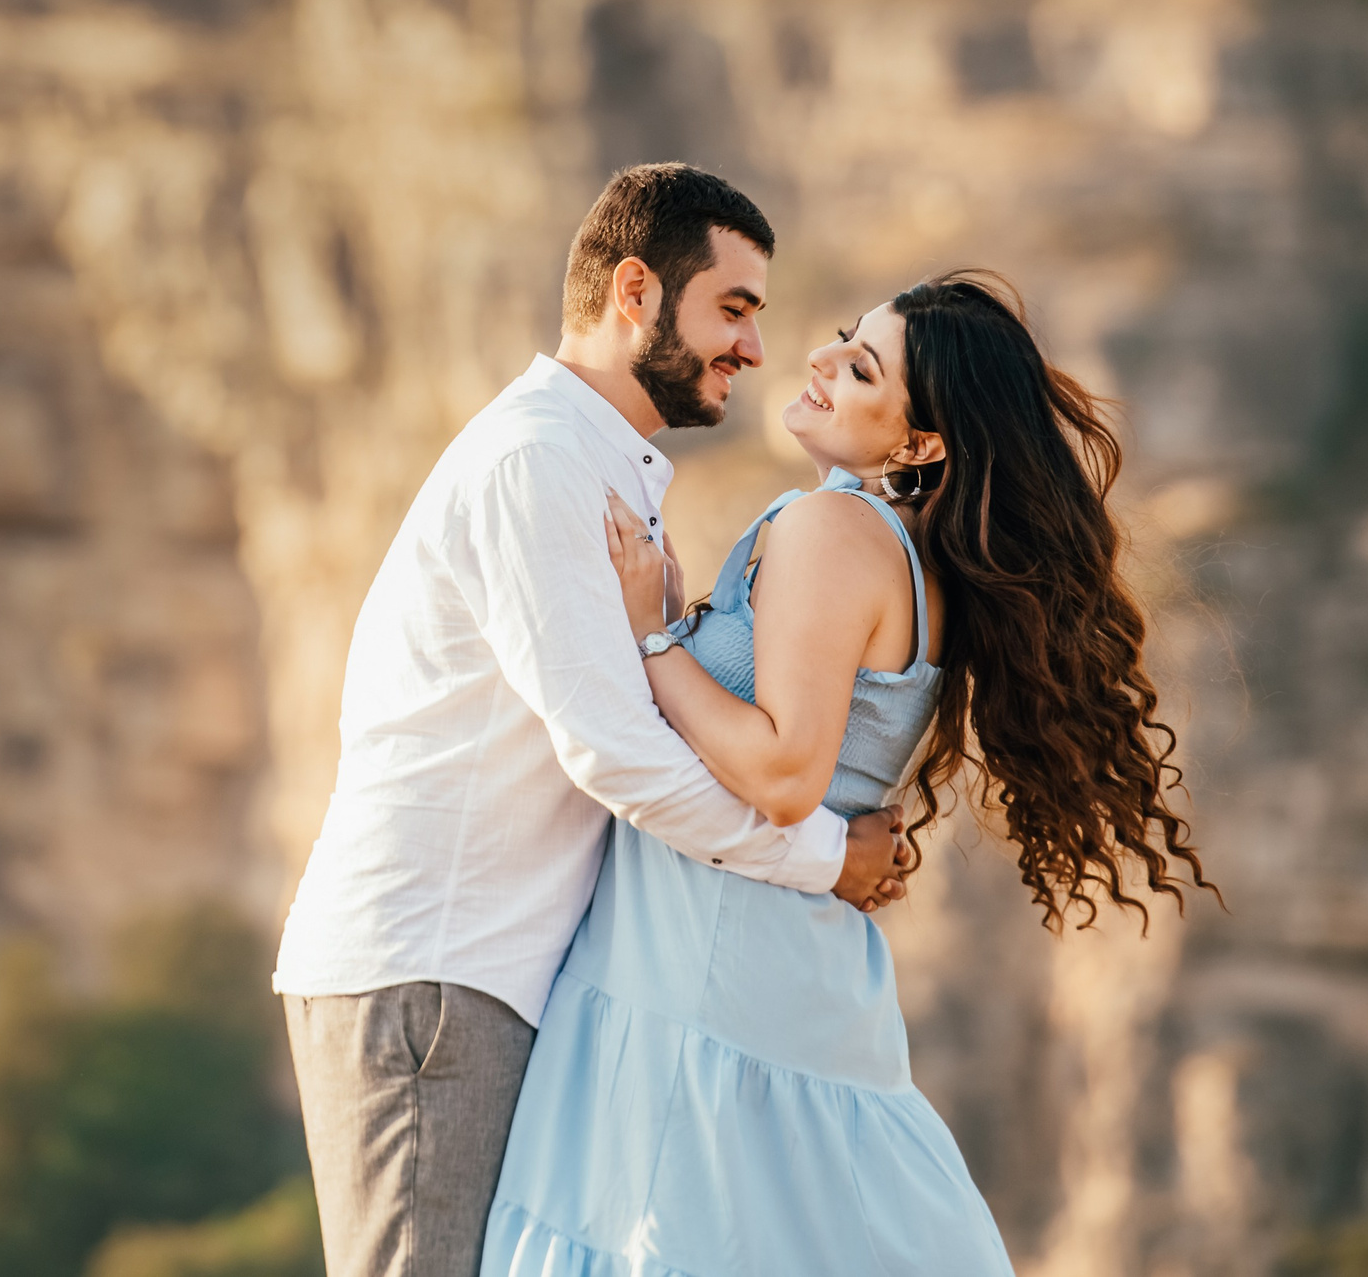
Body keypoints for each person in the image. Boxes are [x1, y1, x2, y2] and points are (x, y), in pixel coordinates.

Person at [478, 271, 1216, 1276]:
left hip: (707, 972)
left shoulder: (837, 532)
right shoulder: (898, 550)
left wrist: (656, 638)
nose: (819, 360)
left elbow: (783, 773)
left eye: (861, 367)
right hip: (760, 970)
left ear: (919, 446)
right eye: (839, 339)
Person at [273, 164, 915, 1277]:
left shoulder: (599, 465)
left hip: (485, 976)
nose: (754, 351)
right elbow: (616, 755)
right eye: (733, 310)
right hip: (432, 975)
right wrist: (826, 860)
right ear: (634, 292)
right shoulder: (538, 463)